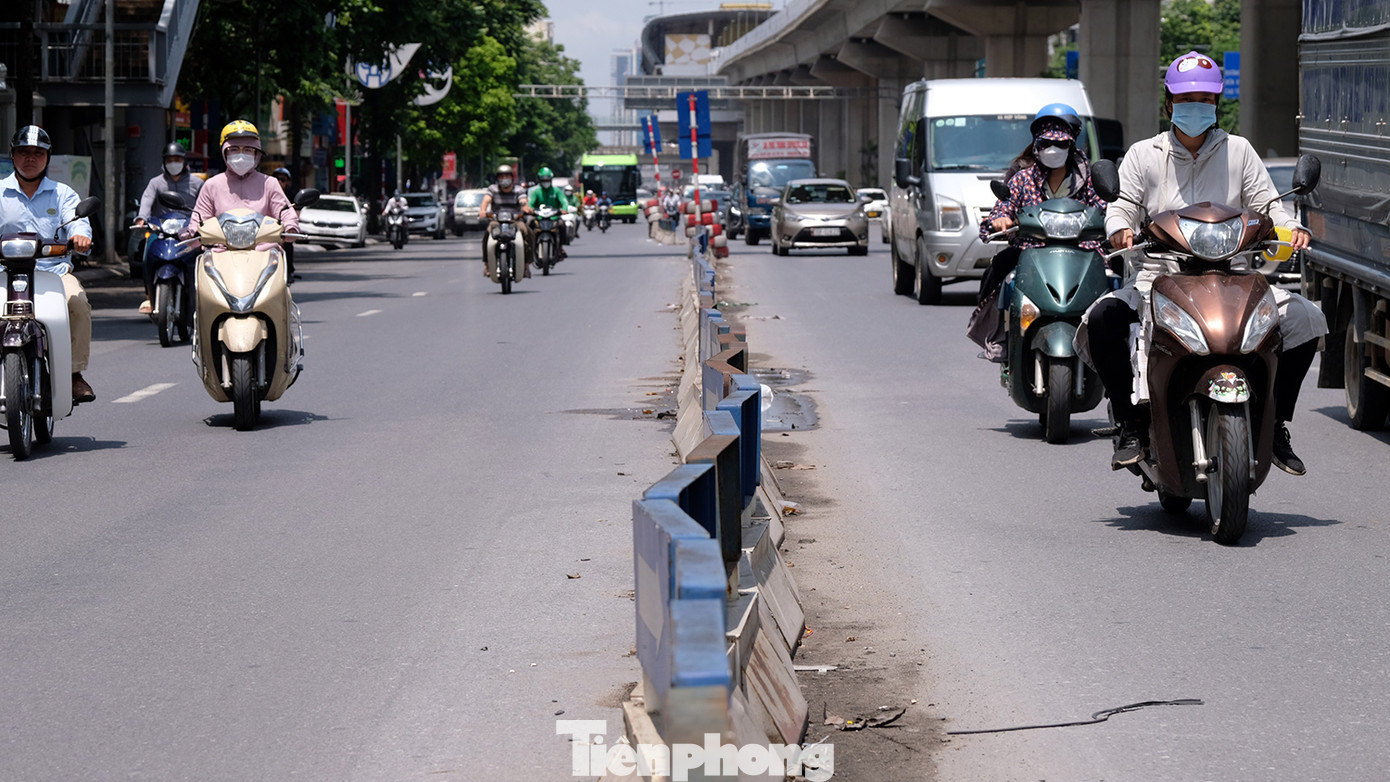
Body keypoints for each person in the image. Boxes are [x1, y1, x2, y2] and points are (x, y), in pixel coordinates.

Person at [1079, 51, 1325, 474]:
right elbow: (1121, 206)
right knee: (1103, 319)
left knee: (1304, 318)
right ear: (1169, 103)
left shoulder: (1240, 152)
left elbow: (1270, 206)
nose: (1197, 105)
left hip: (1231, 278)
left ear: (1217, 104)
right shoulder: (1143, 154)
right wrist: (1119, 227)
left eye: (1206, 99)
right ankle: (1130, 423)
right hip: (1157, 279)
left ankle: (1277, 424)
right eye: (1187, 97)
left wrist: (1290, 227)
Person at [971, 105, 1107, 361]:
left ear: (1072, 143)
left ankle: (1117, 349)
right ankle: (1000, 336)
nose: (1053, 150)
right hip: (1031, 251)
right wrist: (1001, 218)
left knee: (1117, 279)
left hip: (1083, 251)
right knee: (1001, 269)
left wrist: (1116, 226)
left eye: (1060, 144)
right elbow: (1005, 205)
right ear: (1036, 144)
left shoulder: (1089, 178)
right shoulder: (1022, 178)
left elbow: (1105, 207)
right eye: (1046, 143)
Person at [0, 126, 96, 403]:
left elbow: (78, 220)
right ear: (12, 155)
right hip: (5, 274)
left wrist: (80, 237)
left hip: (52, 273)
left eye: (37, 153)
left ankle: (74, 375)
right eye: (23, 152)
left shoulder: (63, 193)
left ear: (47, 157)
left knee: (77, 303)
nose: (30, 158)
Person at [186, 120, 298, 253]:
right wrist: (191, 232)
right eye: (234, 150)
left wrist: (290, 226)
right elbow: (199, 219)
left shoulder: (270, 183)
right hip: (220, 253)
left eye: (247, 150)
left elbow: (284, 211)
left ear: (256, 154)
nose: (241, 155)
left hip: (264, 254)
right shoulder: (212, 185)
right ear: (225, 153)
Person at [135, 141, 203, 313]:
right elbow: (147, 201)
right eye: (170, 159)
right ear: (164, 162)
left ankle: (203, 296)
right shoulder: (156, 183)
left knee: (205, 259)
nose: (174, 163)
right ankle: (150, 296)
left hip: (190, 232)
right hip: (161, 232)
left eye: (177, 159)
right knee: (146, 255)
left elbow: (205, 205)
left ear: (184, 161)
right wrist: (142, 218)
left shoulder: (196, 183)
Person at [477, 164, 532, 277]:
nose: (504, 179)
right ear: (498, 178)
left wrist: (526, 208)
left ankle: (526, 266)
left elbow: (523, 201)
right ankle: (487, 265)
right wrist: (482, 210)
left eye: (507, 176)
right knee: (488, 233)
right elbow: (486, 200)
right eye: (502, 177)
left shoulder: (519, 189)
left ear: (512, 178)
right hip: (497, 220)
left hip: (515, 220)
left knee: (527, 232)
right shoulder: (492, 189)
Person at [527, 166, 571, 258]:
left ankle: (561, 247)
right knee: (528, 226)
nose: (545, 182)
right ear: (539, 180)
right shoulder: (536, 192)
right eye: (543, 180)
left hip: (553, 217)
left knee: (562, 225)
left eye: (547, 180)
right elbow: (530, 203)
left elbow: (564, 201)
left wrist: (564, 209)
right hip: (539, 217)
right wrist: (530, 210)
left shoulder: (556, 191)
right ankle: (529, 248)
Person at [272, 167, 298, 281]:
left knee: (287, 243)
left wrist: (291, 227)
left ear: (288, 182)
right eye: (276, 179)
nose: (279, 182)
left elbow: (295, 213)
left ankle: (289, 271)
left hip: (282, 227)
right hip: (267, 228)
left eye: (282, 179)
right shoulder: (264, 192)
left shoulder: (291, 195)